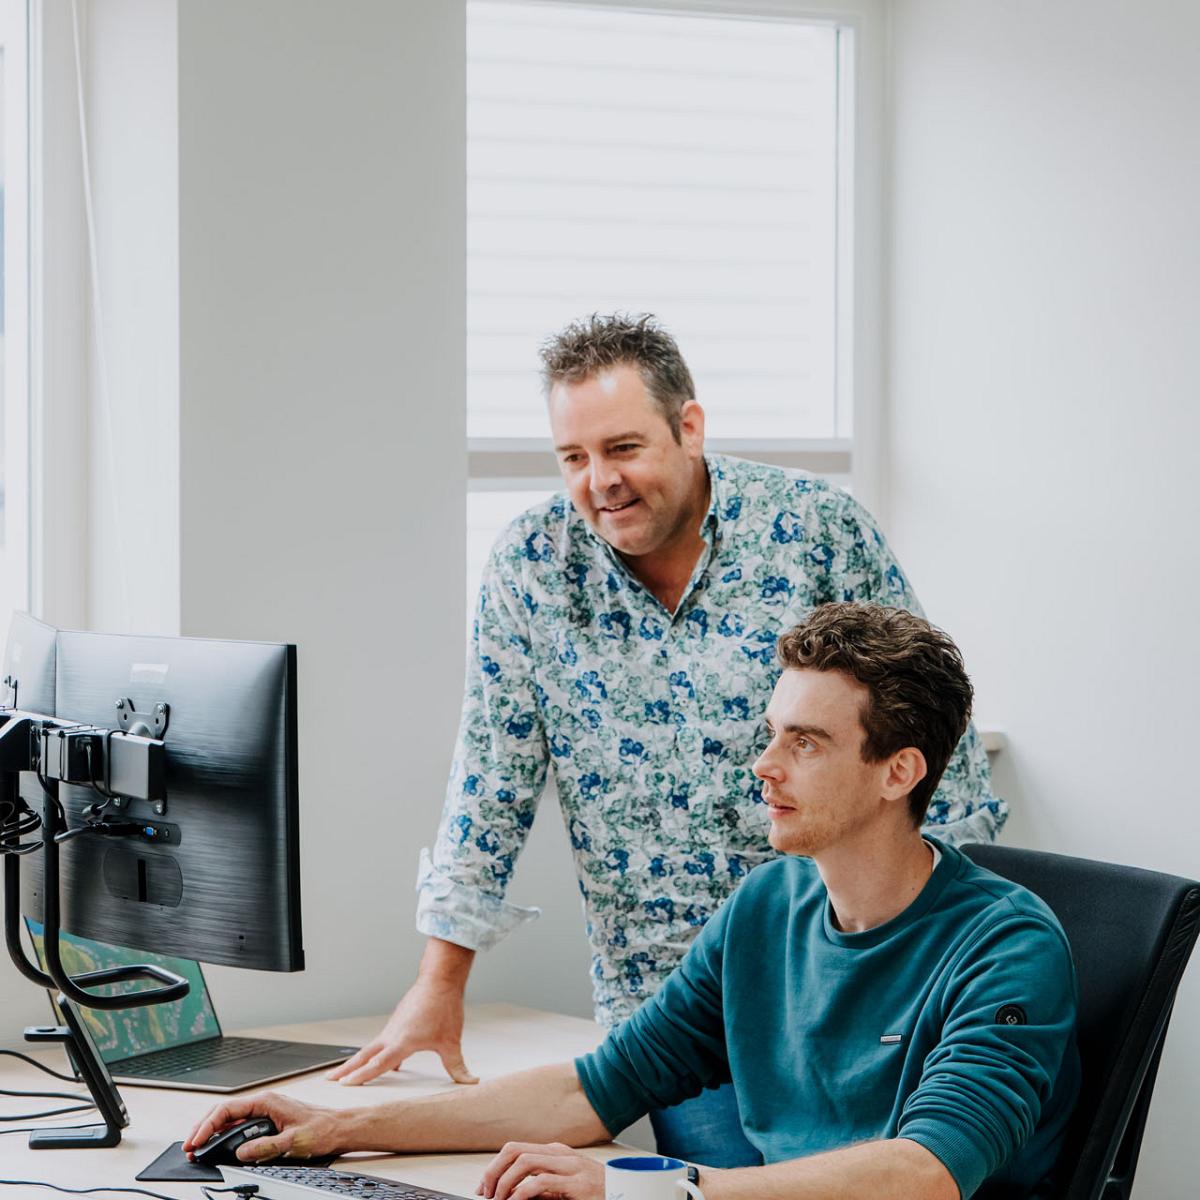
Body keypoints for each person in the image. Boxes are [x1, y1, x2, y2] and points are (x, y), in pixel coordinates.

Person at [330, 314, 1005, 1166]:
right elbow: (489, 782)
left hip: (852, 993)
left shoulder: (816, 530)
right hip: (667, 1008)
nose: (600, 481)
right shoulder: (531, 568)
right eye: (573, 459)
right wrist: (439, 985)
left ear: (690, 426)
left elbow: (938, 747)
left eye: (623, 448)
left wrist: (963, 966)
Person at [187, 604, 1078, 1200]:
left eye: (804, 743)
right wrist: (338, 1130)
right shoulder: (768, 907)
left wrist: (649, 1186)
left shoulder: (1007, 947)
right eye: (770, 733)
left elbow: (923, 1174)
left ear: (899, 771)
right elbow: (595, 1089)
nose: (763, 767)